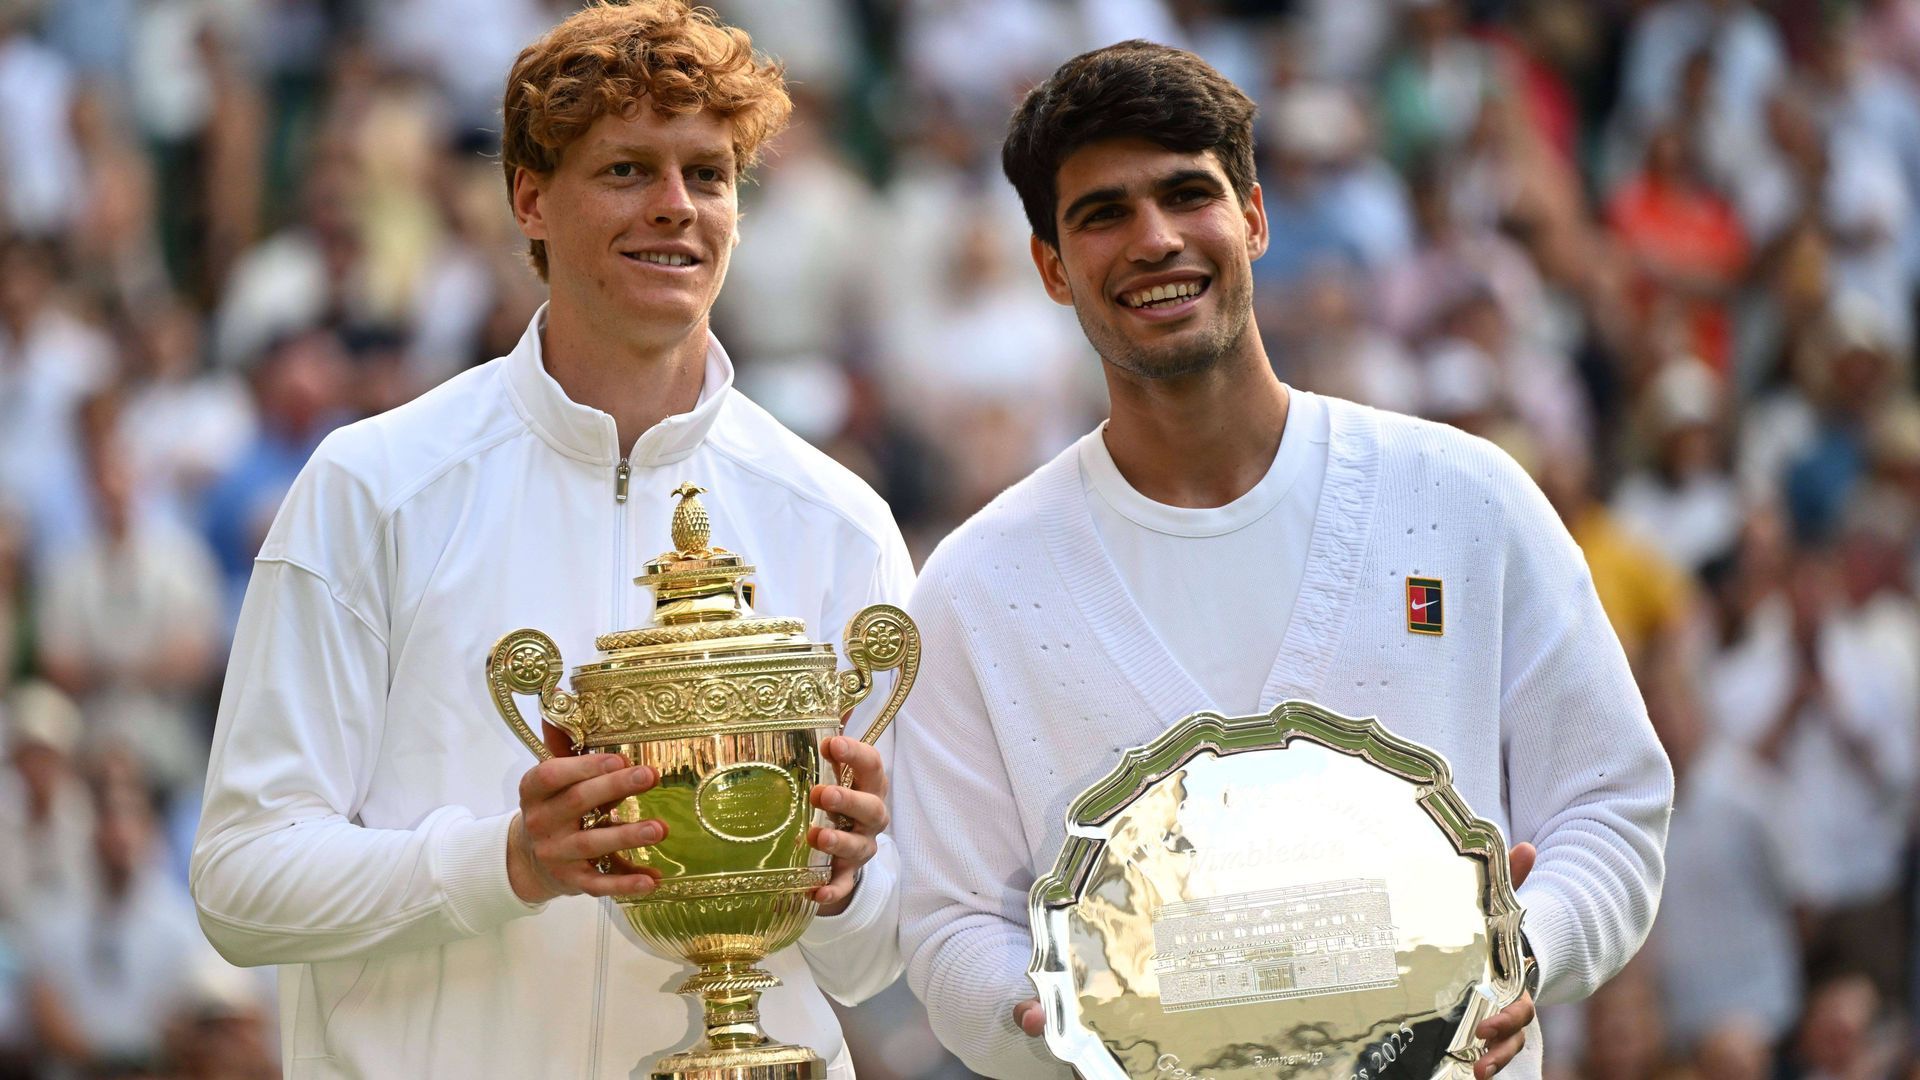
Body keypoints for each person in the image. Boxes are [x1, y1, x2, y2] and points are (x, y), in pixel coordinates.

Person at [892, 41, 1672, 1080]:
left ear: (1254, 217)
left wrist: (1521, 950)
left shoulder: (1463, 499)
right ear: (1050, 267)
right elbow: (950, 928)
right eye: (1103, 213)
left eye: (1187, 194)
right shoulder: (978, 588)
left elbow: (1610, 804)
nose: (1156, 239)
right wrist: (1066, 1026)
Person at [189, 4, 911, 1077]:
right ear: (530, 197)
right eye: (628, 170)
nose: (676, 209)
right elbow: (242, 885)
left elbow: (875, 957)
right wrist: (511, 862)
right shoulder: (372, 487)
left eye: (708, 175)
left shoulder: (839, 517)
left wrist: (844, 879)